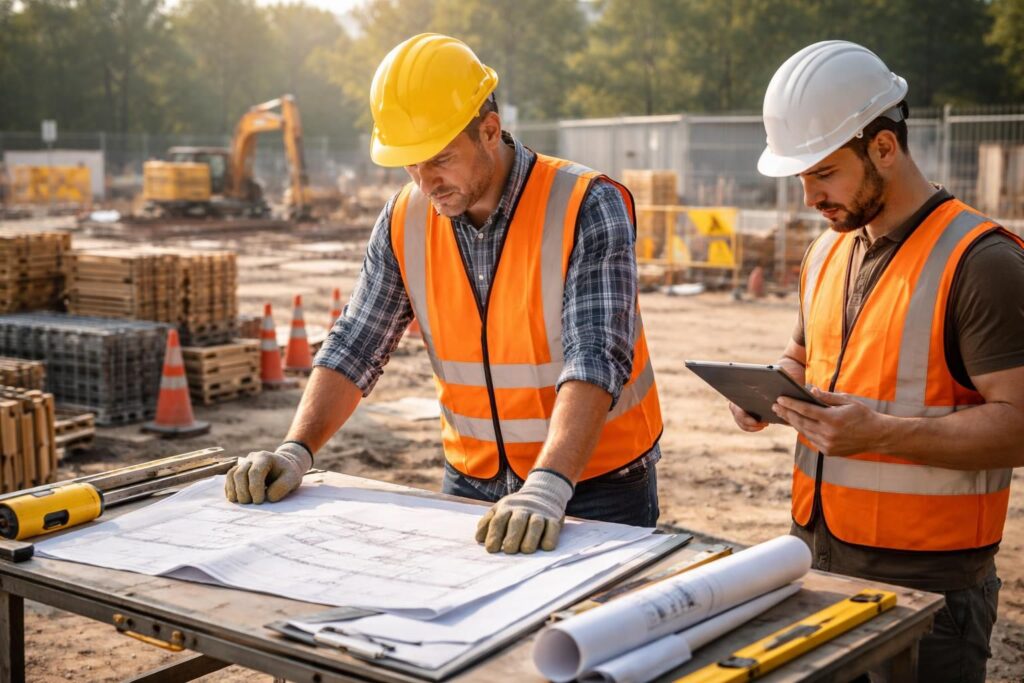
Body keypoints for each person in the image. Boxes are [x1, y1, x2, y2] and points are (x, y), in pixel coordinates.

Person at [224, 33, 663, 555]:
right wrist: (295, 450)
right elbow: (357, 341)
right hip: (472, 480)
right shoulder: (404, 218)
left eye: (440, 159)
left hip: (597, 483)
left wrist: (547, 487)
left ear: (489, 130)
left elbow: (596, 354)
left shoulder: (585, 203)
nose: (425, 182)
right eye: (410, 164)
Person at [732, 40, 1024, 682]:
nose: (809, 197)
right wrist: (770, 390)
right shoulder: (827, 251)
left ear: (885, 148)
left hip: (928, 590)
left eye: (824, 173)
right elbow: (803, 357)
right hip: (817, 563)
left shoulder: (984, 262)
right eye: (800, 178)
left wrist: (881, 434)